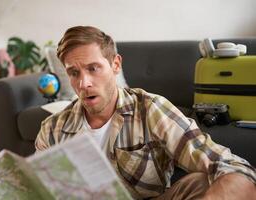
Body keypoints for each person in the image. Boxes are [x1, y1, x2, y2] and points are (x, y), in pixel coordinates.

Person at [35, 26, 256, 199]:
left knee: (204, 181)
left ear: (116, 64)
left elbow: (233, 166)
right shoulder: (52, 130)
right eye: (74, 73)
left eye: (93, 68)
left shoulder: (151, 109)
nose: (83, 83)